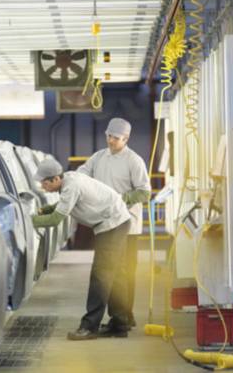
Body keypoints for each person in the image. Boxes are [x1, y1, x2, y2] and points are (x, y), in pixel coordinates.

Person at [32, 158, 131, 340]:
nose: (42, 186)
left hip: (113, 224)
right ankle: (120, 324)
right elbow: (64, 204)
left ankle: (89, 327)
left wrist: (28, 221)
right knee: (115, 275)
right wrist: (43, 211)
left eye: (44, 182)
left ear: (55, 179)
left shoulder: (72, 185)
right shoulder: (68, 180)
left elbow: (55, 219)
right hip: (117, 221)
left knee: (100, 276)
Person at [77, 118, 151, 330]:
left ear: (126, 139)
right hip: (106, 224)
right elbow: (83, 173)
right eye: (108, 136)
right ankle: (122, 318)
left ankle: (125, 316)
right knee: (115, 272)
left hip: (128, 225)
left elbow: (145, 192)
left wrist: (119, 199)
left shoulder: (133, 161)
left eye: (115, 138)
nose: (110, 140)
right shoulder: (98, 157)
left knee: (125, 272)